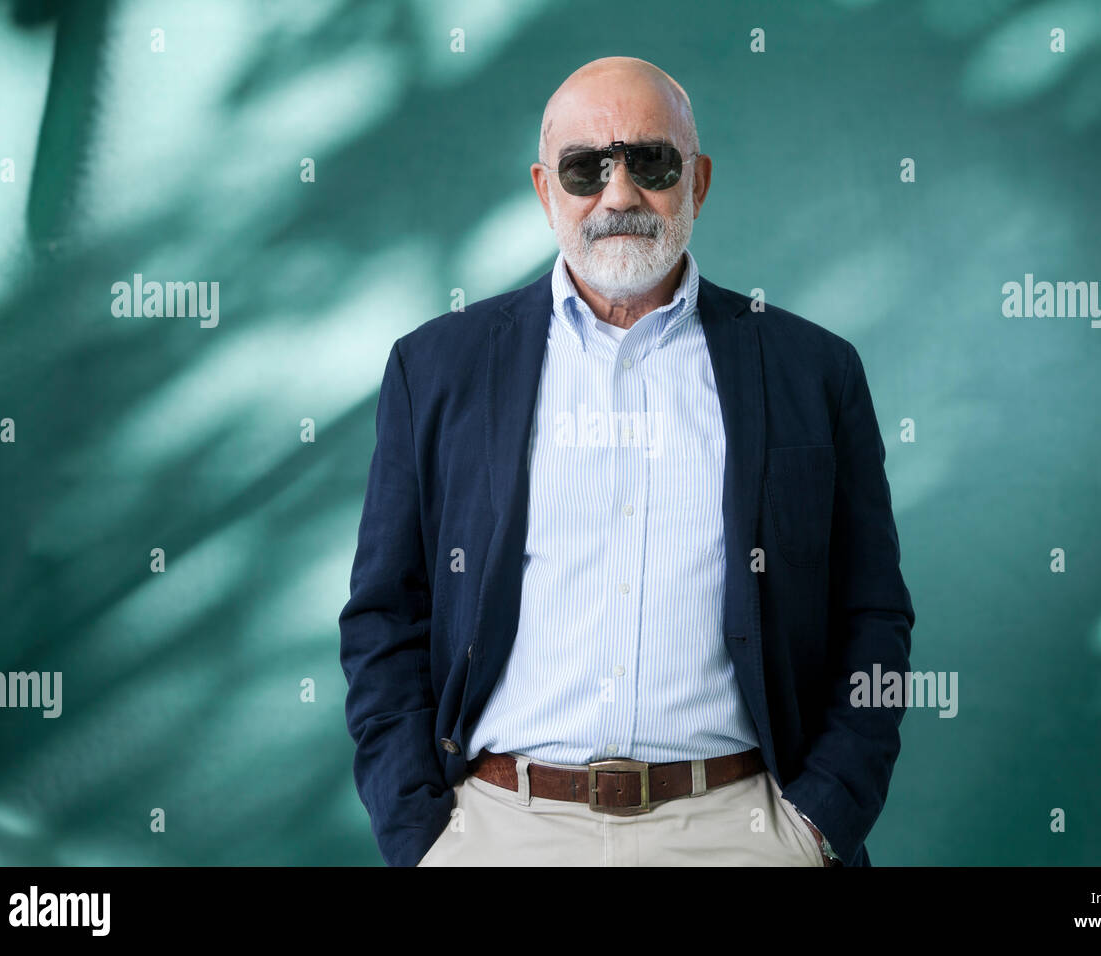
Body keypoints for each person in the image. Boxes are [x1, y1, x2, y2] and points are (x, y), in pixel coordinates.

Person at [339, 56, 915, 866]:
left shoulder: (813, 371)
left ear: (697, 181)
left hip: (742, 832)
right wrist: (424, 840)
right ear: (546, 190)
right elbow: (385, 618)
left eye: (650, 162)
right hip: (501, 832)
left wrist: (817, 823)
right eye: (585, 169)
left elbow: (872, 615)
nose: (618, 196)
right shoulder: (435, 369)